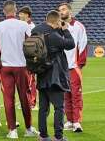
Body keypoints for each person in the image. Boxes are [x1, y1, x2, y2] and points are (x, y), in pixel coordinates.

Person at [0, 1, 38, 139]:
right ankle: (28, 128)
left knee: (8, 98)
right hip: (21, 66)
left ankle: (12, 130)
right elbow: (31, 46)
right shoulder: (24, 25)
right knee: (24, 97)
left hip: (6, 67)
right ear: (15, 10)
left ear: (4, 12)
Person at [35, 10, 76, 141]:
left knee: (43, 108)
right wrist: (65, 30)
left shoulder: (36, 30)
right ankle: (58, 136)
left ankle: (43, 135)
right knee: (59, 107)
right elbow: (70, 44)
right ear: (56, 21)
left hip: (41, 73)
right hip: (55, 76)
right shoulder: (53, 35)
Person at [58, 2, 87, 133]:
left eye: (63, 9)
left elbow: (83, 45)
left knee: (76, 95)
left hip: (74, 67)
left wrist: (79, 64)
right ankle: (69, 120)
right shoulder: (58, 27)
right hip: (62, 67)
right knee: (65, 96)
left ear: (70, 10)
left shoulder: (79, 26)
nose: (61, 12)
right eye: (60, 10)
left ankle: (77, 122)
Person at [19, 6, 38, 111]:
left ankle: (32, 102)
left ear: (27, 14)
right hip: (22, 57)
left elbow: (32, 43)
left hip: (29, 57)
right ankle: (27, 101)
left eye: (21, 13)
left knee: (30, 80)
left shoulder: (31, 26)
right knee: (24, 81)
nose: (19, 15)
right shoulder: (23, 25)